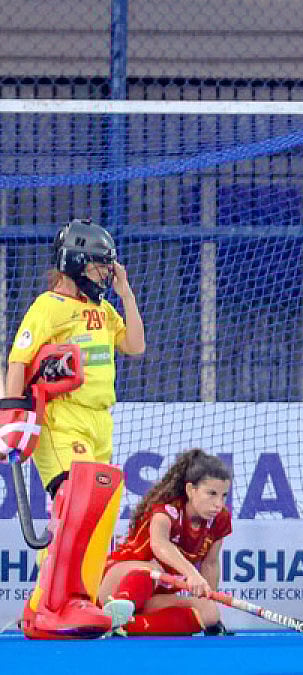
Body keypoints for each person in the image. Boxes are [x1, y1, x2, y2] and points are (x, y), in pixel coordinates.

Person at [8, 218, 146, 639]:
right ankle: (52, 605)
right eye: (103, 266)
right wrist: (13, 417)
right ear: (78, 263)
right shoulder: (48, 306)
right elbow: (18, 360)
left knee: (91, 515)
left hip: (99, 420)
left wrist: (125, 294)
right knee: (71, 508)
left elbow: (136, 347)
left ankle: (58, 602)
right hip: (61, 422)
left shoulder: (103, 310)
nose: (108, 272)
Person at [98, 449, 231, 635]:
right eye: (212, 494)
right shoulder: (166, 511)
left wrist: (208, 596)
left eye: (224, 495)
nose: (219, 504)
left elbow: (210, 563)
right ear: (191, 490)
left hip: (154, 596)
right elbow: (160, 545)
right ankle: (119, 607)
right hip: (120, 581)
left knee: (209, 613)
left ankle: (122, 626)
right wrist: (192, 574)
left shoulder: (220, 519)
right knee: (154, 569)